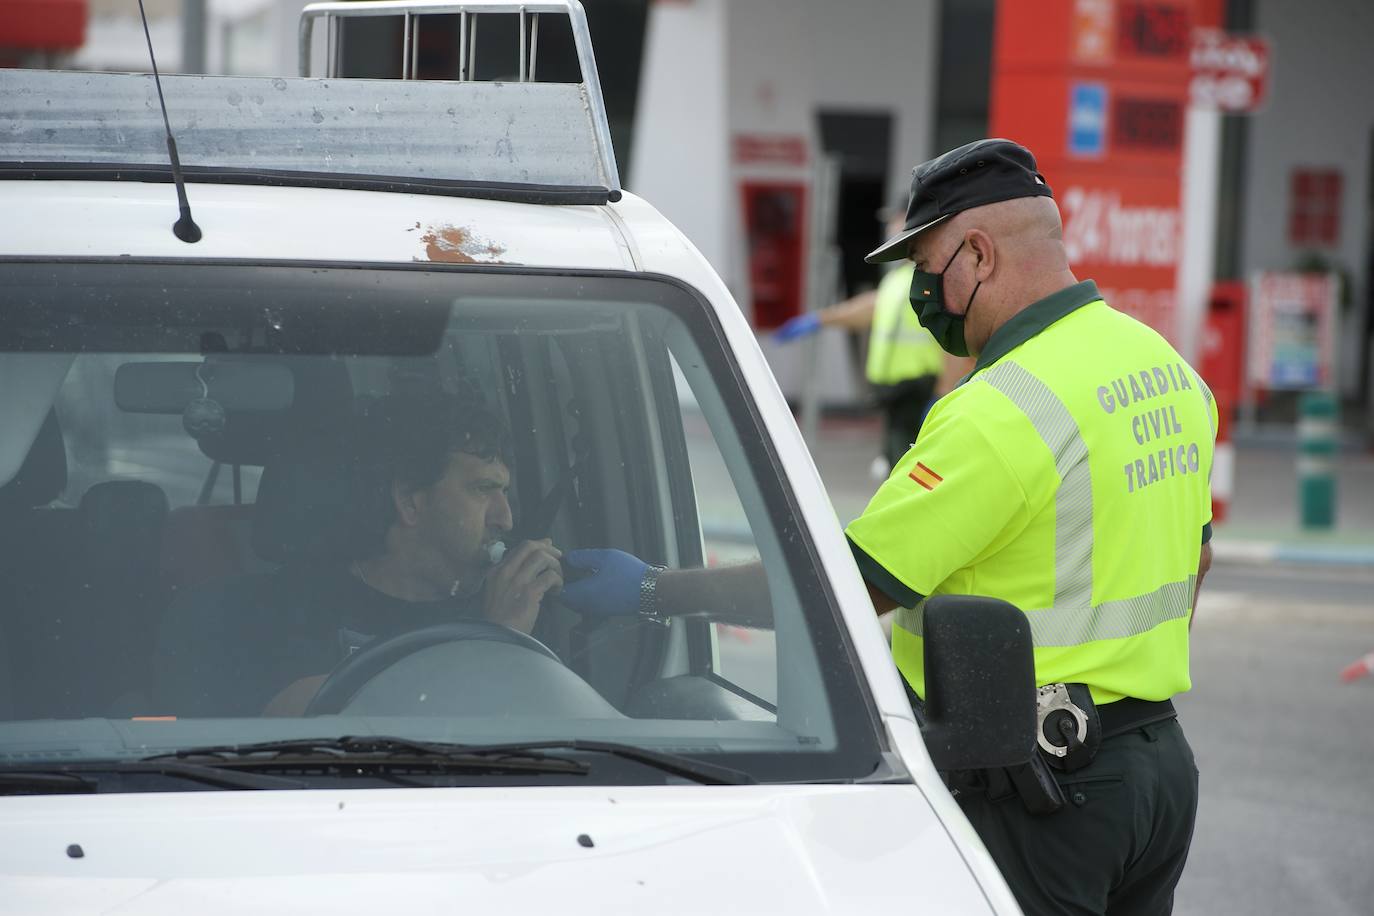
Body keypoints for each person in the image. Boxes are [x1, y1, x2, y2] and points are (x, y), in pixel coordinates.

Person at [562, 138, 1216, 916]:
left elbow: (841, 590)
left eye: (927, 267)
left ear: (977, 254)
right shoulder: (1163, 367)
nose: (922, 292)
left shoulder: (1003, 409)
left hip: (1045, 790)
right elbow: (1194, 558)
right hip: (1159, 774)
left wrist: (653, 590)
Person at [155, 393, 564, 717]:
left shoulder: (511, 610)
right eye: (481, 490)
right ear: (410, 502)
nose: (506, 519)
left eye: (504, 492)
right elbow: (307, 727)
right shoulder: (268, 612)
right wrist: (492, 645)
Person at [774, 205, 974, 470]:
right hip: (896, 396)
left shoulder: (931, 280)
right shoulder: (902, 277)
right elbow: (871, 307)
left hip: (919, 394)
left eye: (896, 221)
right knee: (897, 467)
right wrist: (820, 320)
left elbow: (951, 339)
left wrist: (943, 395)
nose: (891, 228)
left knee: (911, 472)